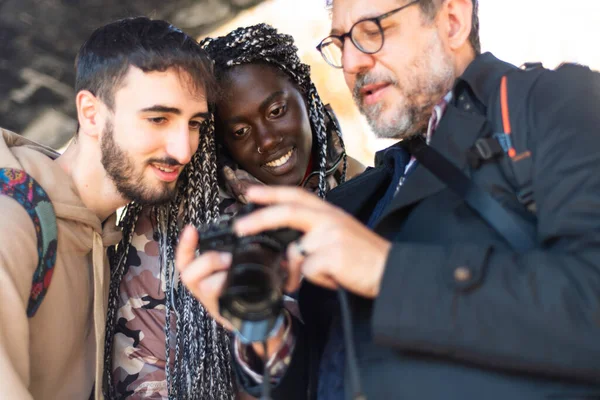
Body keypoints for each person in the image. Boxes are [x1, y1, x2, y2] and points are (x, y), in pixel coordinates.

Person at [175, 0, 600, 399]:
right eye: (341, 42)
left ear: (452, 19)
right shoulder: (365, 194)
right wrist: (268, 335)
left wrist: (383, 270)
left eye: (372, 31)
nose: (352, 61)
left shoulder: (553, 103)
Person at [105, 23, 364, 400]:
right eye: (240, 131)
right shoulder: (175, 228)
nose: (267, 139)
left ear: (306, 96)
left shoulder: (369, 192)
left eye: (276, 110)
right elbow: (142, 367)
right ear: (222, 144)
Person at [0, 17, 216, 400]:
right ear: (91, 114)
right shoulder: (12, 217)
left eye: (194, 123)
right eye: (158, 118)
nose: (183, 150)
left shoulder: (105, 233)